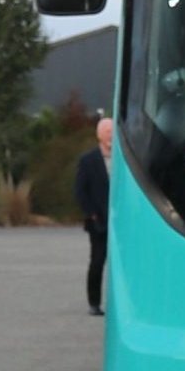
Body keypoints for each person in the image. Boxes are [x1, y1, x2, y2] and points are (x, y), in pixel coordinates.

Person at [75, 117, 113, 316]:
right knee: (97, 261)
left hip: (121, 222)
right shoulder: (88, 160)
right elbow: (81, 192)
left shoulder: (125, 161)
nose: (111, 135)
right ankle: (94, 303)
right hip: (99, 223)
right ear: (99, 135)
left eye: (114, 131)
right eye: (107, 131)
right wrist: (92, 215)